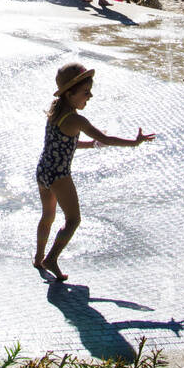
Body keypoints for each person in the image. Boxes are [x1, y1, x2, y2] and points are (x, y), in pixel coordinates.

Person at [33, 62, 155, 281]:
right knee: (73, 220)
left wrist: (90, 145)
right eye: (86, 92)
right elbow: (106, 138)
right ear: (70, 94)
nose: (89, 96)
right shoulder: (76, 119)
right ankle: (51, 258)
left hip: (43, 170)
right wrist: (134, 143)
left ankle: (39, 256)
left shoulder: (57, 110)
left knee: (48, 216)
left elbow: (63, 142)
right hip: (59, 175)